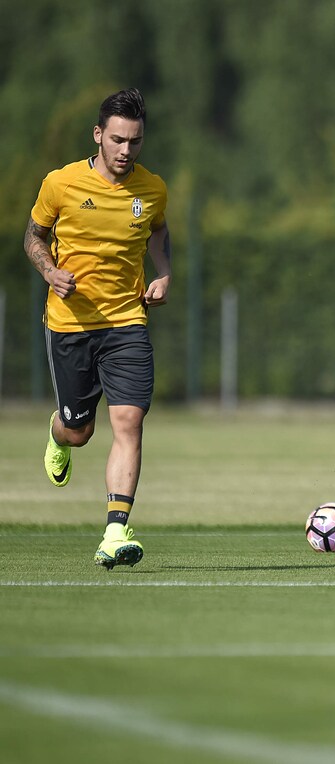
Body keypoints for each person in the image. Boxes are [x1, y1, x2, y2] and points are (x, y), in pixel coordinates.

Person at [24, 88, 172, 569]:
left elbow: (159, 230)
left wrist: (164, 273)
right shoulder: (61, 183)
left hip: (127, 322)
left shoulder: (152, 189)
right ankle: (58, 432)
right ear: (98, 135)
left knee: (129, 422)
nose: (126, 150)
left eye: (135, 140)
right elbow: (33, 236)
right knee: (79, 431)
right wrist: (50, 272)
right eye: (117, 140)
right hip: (70, 324)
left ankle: (115, 531)